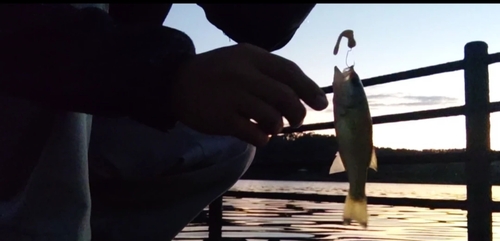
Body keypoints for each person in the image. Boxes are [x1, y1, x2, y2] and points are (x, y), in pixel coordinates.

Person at [0, 3, 328, 240]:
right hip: (30, 83)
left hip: (103, 98)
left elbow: (259, 24)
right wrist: (166, 74)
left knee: (231, 141)